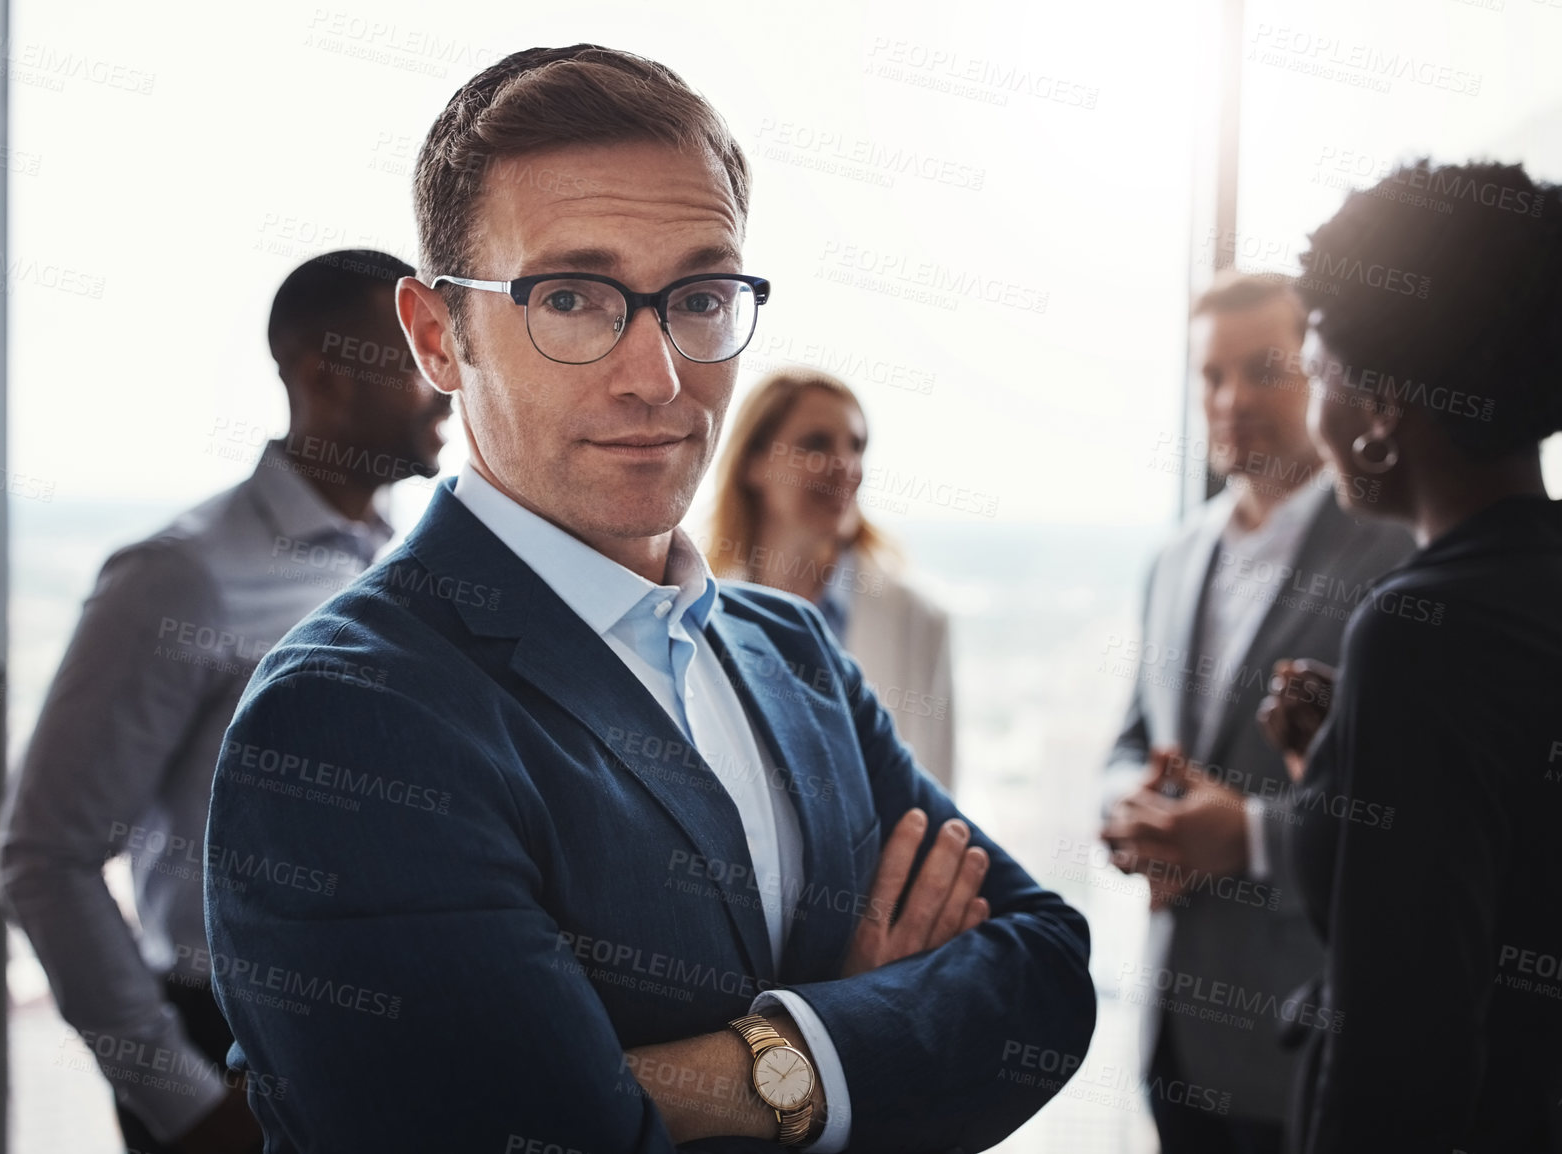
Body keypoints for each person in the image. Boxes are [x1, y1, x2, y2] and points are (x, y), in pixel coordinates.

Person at [204, 44, 1095, 1153]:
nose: (657, 374)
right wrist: (864, 1031)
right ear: (438, 336)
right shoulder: (350, 711)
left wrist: (744, 1066)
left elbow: (1049, 972)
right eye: (571, 298)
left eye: (699, 296)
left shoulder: (790, 649)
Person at [0, 249, 449, 1154]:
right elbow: (44, 856)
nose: (446, 388)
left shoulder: (407, 569)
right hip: (231, 1051)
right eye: (413, 357)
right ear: (323, 374)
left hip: (382, 1044)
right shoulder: (180, 576)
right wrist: (189, 1107)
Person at [1258, 159, 1562, 1153]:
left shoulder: (1420, 633)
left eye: (1322, 370)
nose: (1313, 406)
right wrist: (1340, 767)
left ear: (1383, 403)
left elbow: (1398, 1053)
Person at [1099, 272, 1412, 1151]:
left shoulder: (1399, 553)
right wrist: (1134, 813)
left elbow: (1417, 810)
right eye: (1213, 377)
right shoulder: (1173, 558)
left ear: (1319, 374)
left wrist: (1252, 835)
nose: (1233, 400)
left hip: (1308, 1036)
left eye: (1266, 369)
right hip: (1174, 1035)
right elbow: (1130, 743)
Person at [705, 369, 957, 790]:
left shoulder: (918, 617)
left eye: (857, 446)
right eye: (816, 444)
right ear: (753, 463)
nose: (846, 467)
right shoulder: (698, 607)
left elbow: (937, 793)